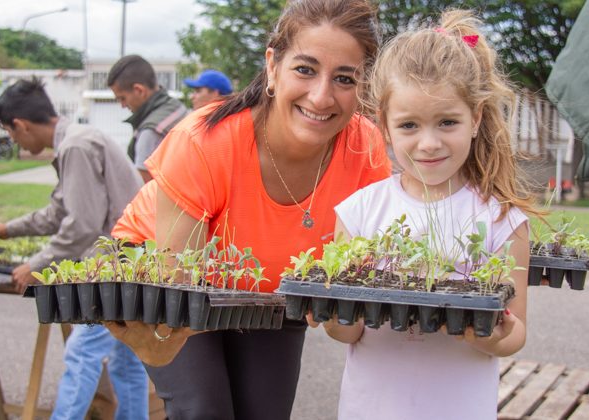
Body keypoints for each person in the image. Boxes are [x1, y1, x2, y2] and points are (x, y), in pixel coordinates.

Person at [105, 1, 391, 418]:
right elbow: (179, 289)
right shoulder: (204, 143)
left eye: (344, 78)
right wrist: (153, 341)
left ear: (362, 84)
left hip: (267, 287)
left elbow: (353, 284)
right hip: (173, 277)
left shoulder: (365, 150)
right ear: (273, 66)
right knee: (205, 408)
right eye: (305, 69)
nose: (321, 96)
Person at [312, 10, 542, 419]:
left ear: (476, 119)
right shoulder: (360, 211)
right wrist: (332, 316)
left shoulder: (501, 218)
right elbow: (350, 330)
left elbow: (516, 332)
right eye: (409, 125)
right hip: (371, 408)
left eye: (447, 122)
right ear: (384, 126)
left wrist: (490, 334)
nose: (429, 143)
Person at [0, 78, 149, 420]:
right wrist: (6, 230)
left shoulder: (77, 146)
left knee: (82, 353)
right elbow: (59, 211)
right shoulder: (79, 140)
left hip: (113, 269)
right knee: (127, 363)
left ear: (20, 125)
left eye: (11, 134)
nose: (13, 141)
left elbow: (81, 224)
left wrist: (35, 265)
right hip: (134, 264)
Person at [108, 55, 188, 182]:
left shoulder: (150, 133)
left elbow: (144, 189)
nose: (122, 105)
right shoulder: (177, 107)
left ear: (139, 90)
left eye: (122, 98)